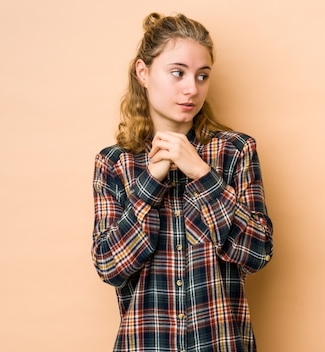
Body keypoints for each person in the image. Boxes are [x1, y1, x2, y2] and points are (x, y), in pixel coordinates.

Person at [91, 12, 274, 352]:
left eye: (202, 76)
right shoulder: (115, 163)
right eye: (178, 73)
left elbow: (258, 253)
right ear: (143, 73)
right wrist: (150, 183)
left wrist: (203, 175)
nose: (192, 89)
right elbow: (110, 267)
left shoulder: (235, 151)